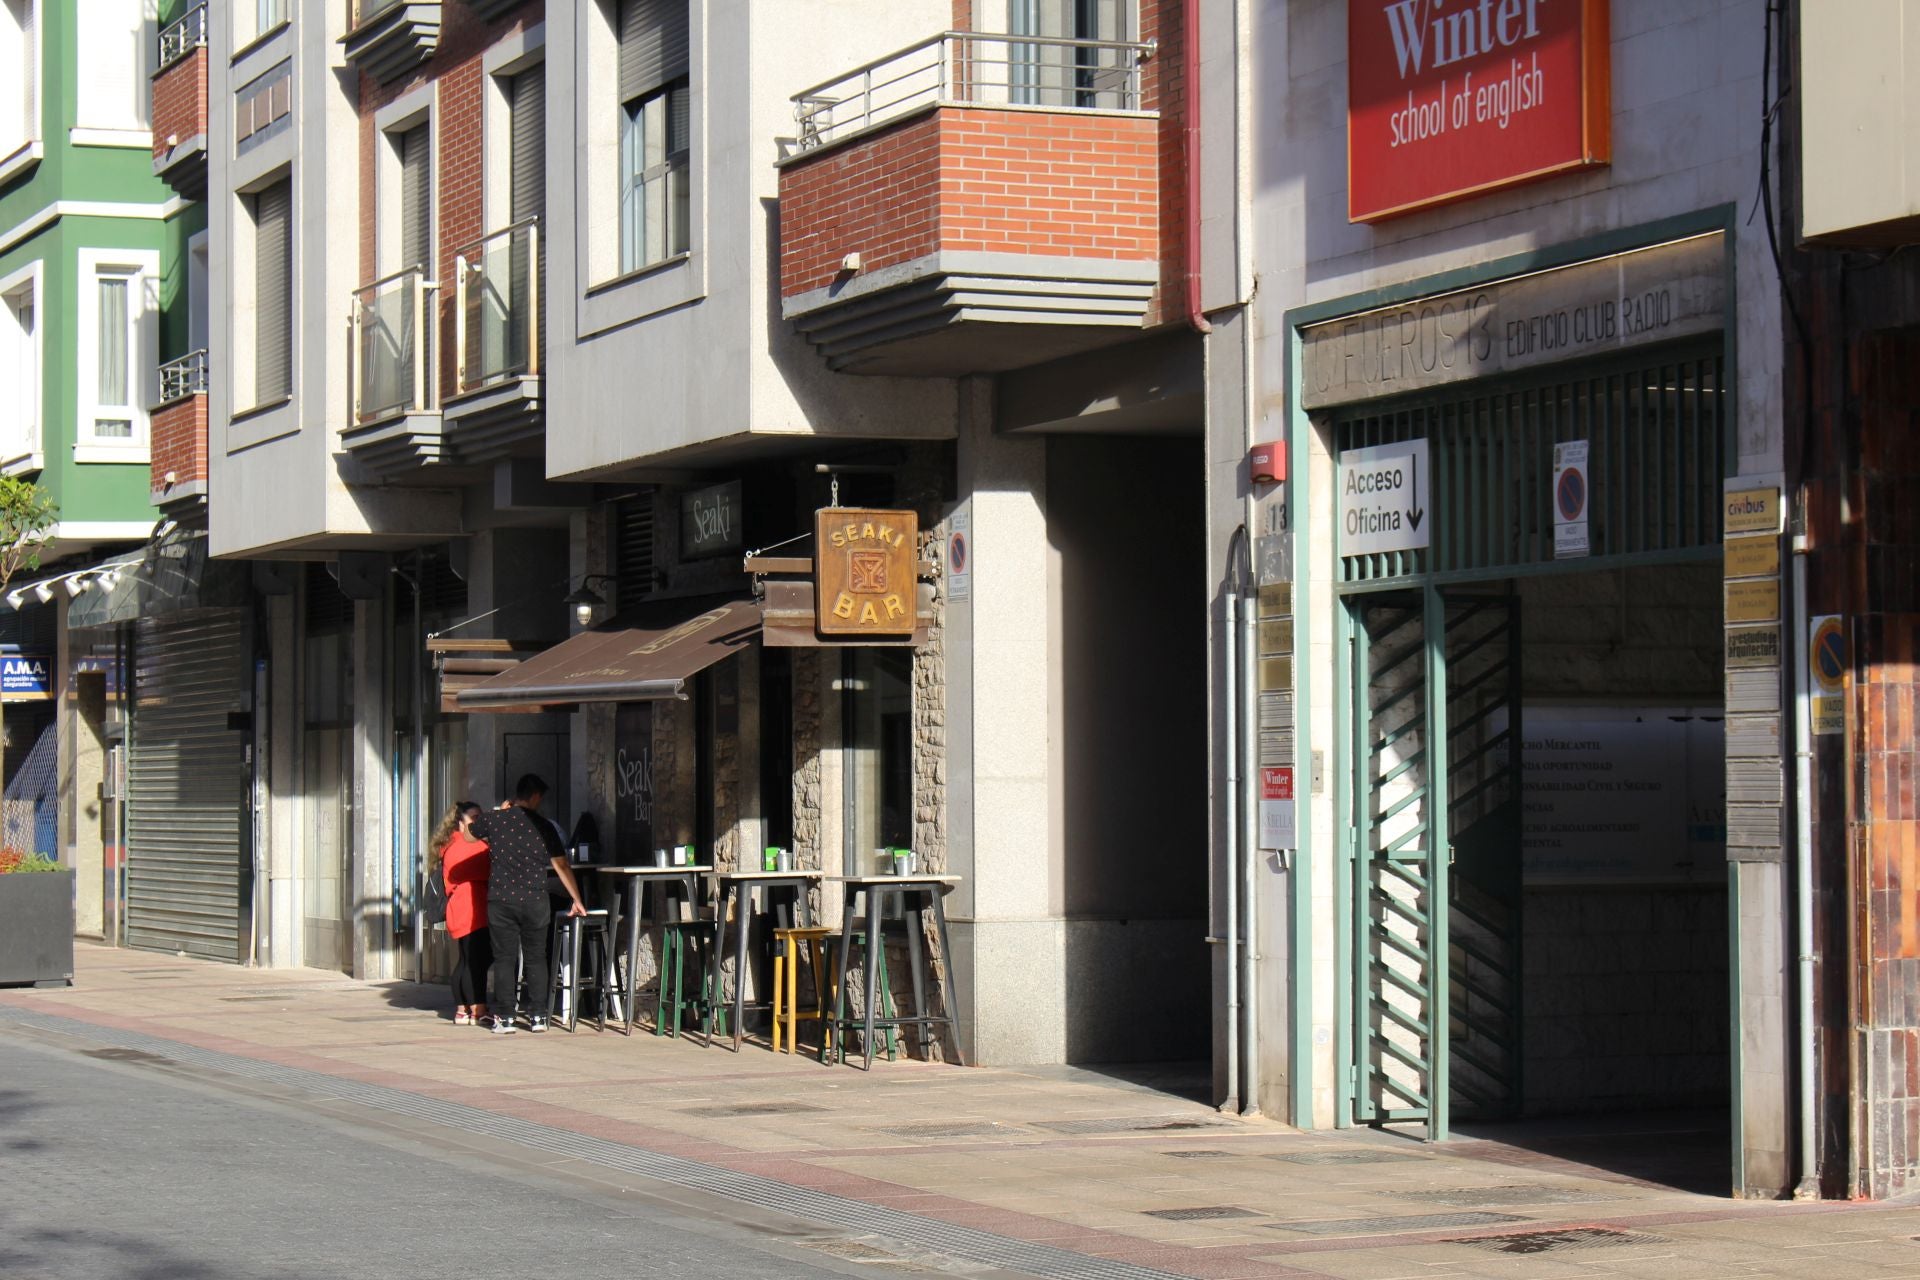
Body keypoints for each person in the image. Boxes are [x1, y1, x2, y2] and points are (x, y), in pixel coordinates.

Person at [471, 781, 587, 1034]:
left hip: (501, 899)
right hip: (535, 899)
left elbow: (471, 832)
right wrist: (576, 899)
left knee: (504, 958)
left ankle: (506, 1018)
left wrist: (499, 812)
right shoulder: (544, 826)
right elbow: (561, 865)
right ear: (534, 796)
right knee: (536, 958)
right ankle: (537, 1017)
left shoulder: (496, 820)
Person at [432, 802, 492, 1027]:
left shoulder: (451, 845)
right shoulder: (469, 846)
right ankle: (478, 1008)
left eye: (480, 817)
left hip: (460, 906)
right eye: (473, 818)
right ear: (461, 822)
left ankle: (462, 1009)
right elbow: (489, 865)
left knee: (467, 960)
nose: (478, 822)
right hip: (471, 906)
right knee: (475, 960)